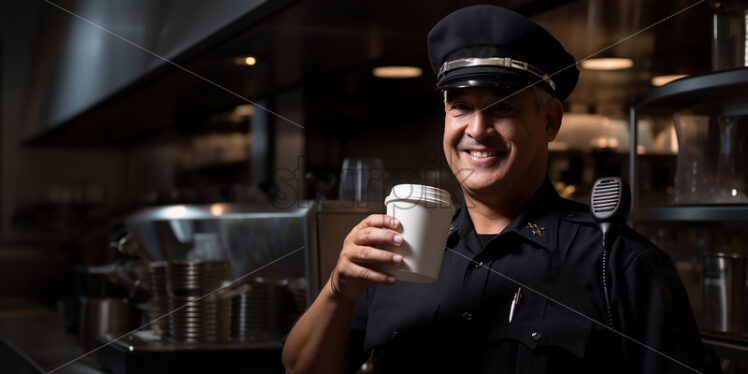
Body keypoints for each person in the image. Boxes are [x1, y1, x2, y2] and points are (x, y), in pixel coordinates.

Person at [282, 5, 721, 374]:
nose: (477, 129)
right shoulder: (397, 253)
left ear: (549, 121)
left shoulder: (623, 264)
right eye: (461, 108)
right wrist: (338, 291)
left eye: (502, 108)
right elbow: (301, 368)